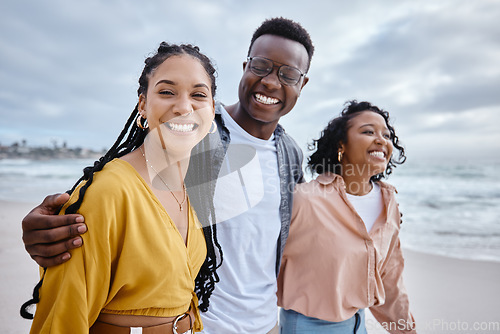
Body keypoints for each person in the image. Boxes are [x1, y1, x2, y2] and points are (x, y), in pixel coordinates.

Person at [21, 17, 314, 333]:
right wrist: (50, 228)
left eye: (288, 74)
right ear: (245, 66)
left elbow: (287, 233)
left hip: (261, 323)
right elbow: (121, 197)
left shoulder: (290, 155)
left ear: (302, 84)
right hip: (208, 321)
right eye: (261, 66)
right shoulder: (197, 131)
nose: (271, 82)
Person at [22, 42, 222, 333]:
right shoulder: (108, 191)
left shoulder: (194, 188)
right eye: (167, 91)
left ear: (212, 109)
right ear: (143, 104)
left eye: (198, 95)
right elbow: (64, 317)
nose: (183, 106)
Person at [277, 100, 416, 333]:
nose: (381, 139)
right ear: (342, 144)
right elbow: (262, 263)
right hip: (305, 326)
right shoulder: (304, 199)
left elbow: (390, 280)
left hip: (358, 325)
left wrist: (406, 330)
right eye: (368, 131)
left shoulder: (389, 204)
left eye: (387, 134)